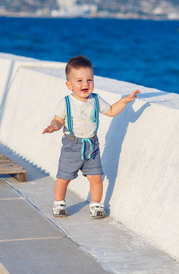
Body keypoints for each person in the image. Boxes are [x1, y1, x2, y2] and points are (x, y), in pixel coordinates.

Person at [42, 55, 140, 219]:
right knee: (63, 178)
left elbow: (111, 111)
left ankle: (96, 205)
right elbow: (58, 120)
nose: (85, 84)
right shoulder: (66, 102)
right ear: (69, 84)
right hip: (71, 145)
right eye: (79, 80)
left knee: (96, 178)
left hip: (92, 146)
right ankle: (59, 203)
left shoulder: (95, 100)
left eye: (89, 80)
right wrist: (54, 126)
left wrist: (124, 101)